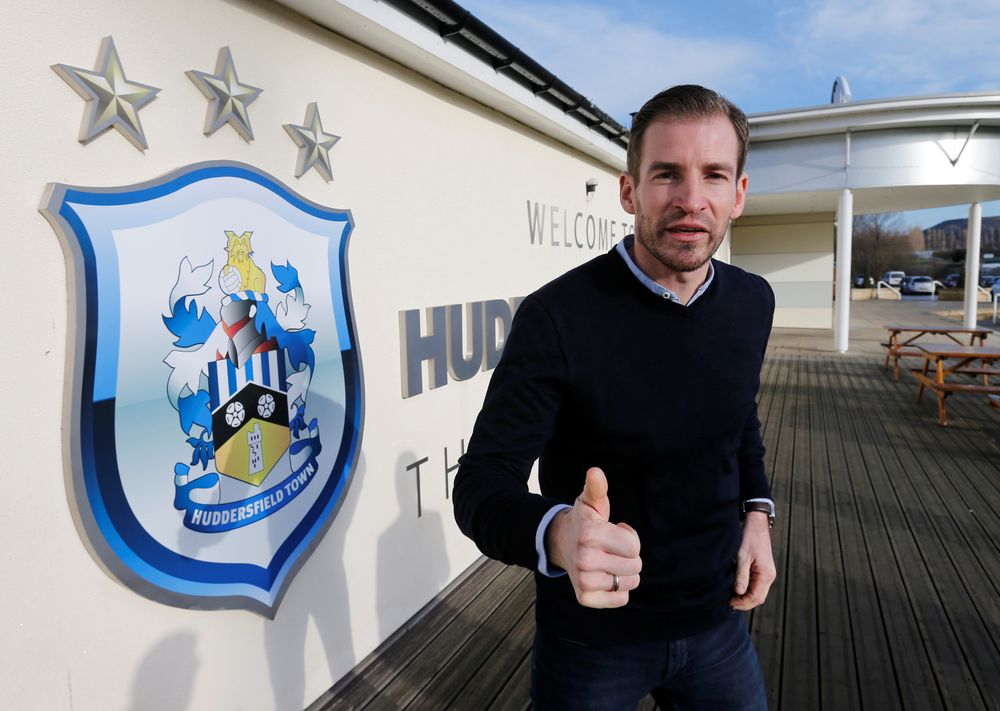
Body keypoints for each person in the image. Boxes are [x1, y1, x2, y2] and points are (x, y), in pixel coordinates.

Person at [453, 84, 776, 710]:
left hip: (717, 623)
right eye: (666, 175)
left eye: (713, 175)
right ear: (629, 191)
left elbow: (740, 420)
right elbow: (481, 485)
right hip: (592, 642)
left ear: (737, 194)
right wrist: (558, 536)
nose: (690, 200)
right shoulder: (557, 317)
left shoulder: (751, 302)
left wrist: (757, 512)